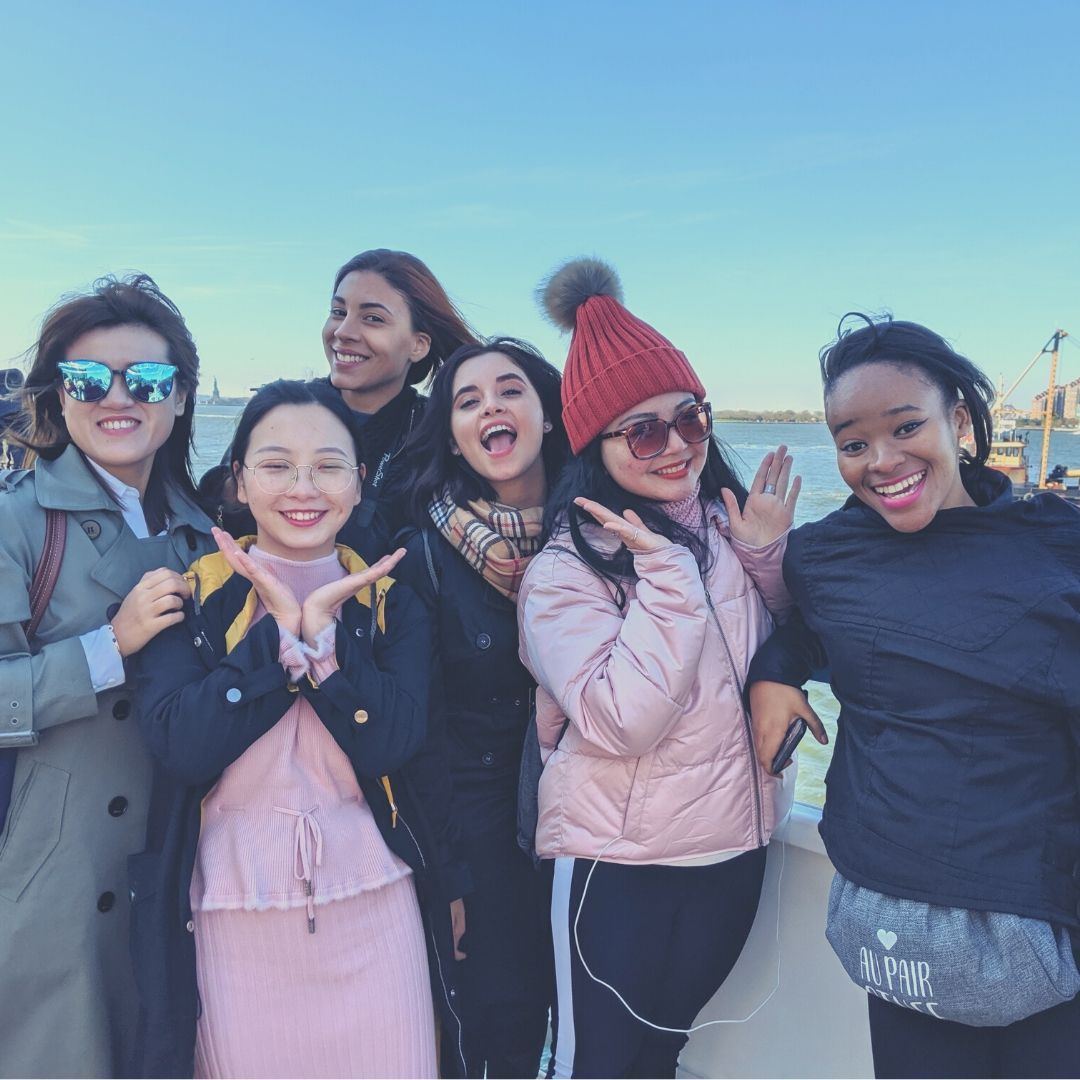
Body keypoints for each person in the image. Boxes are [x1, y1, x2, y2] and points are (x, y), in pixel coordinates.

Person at [746, 314, 1080, 1080]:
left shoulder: (1057, 546)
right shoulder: (827, 555)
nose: (882, 461)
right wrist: (773, 672)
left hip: (1043, 907)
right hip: (898, 912)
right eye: (853, 443)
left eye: (906, 427)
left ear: (958, 421)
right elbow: (811, 627)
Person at [516, 258, 800, 1078]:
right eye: (643, 431)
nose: (676, 445)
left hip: (732, 849)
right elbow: (621, 720)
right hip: (617, 865)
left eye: (690, 419)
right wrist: (670, 577)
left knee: (661, 1056)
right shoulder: (565, 570)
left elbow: (783, 646)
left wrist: (765, 555)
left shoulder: (727, 525)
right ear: (594, 446)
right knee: (596, 1065)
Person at [129, 379, 460, 1079]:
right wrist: (278, 636)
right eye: (276, 465)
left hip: (376, 902)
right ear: (239, 480)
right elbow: (181, 746)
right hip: (230, 910)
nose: (303, 487)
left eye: (328, 466)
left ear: (359, 481)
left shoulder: (390, 602)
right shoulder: (190, 592)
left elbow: (394, 743)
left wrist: (328, 647)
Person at [0, 275, 214, 1078]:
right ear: (60, 395)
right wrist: (107, 648)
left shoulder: (206, 534)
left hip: (176, 871)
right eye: (89, 379)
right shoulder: (16, 521)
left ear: (180, 398)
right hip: (47, 877)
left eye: (147, 379)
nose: (118, 397)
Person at [398, 337, 567, 1078]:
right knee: (499, 1032)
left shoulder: (599, 534)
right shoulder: (425, 556)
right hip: (482, 835)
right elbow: (420, 735)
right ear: (453, 438)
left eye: (510, 390)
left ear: (548, 416)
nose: (490, 407)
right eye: (468, 401)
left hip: (592, 827)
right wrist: (449, 878)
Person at [323, 248, 480, 561]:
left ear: (418, 345)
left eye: (372, 318)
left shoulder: (439, 438)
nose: (343, 332)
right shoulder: (281, 414)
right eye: (339, 312)